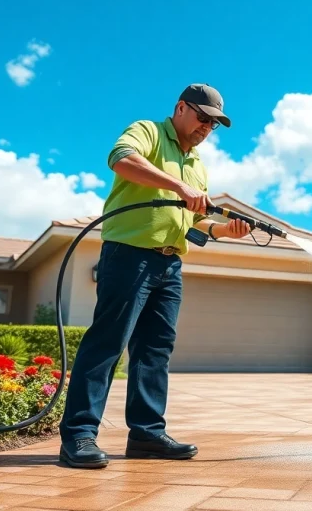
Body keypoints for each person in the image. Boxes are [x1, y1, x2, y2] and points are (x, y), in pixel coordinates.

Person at [57, 83, 252, 469]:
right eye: (203, 118)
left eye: (214, 125)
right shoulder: (148, 131)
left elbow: (194, 226)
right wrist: (178, 185)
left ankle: (146, 434)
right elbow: (120, 159)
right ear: (181, 108)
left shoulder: (198, 165)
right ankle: (78, 435)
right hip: (128, 255)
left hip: (169, 264)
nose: (207, 128)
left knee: (155, 351)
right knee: (107, 344)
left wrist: (223, 231)